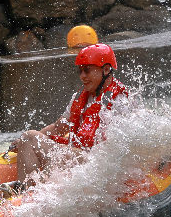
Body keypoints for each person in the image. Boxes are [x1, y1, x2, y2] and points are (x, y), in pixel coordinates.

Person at [9, 43, 129, 183]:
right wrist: (25, 143)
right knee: (28, 137)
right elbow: (58, 127)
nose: (82, 76)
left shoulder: (119, 101)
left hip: (97, 162)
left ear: (106, 69)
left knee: (59, 153)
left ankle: (35, 191)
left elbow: (123, 145)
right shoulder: (80, 97)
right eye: (80, 71)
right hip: (77, 153)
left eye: (87, 70)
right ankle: (24, 190)